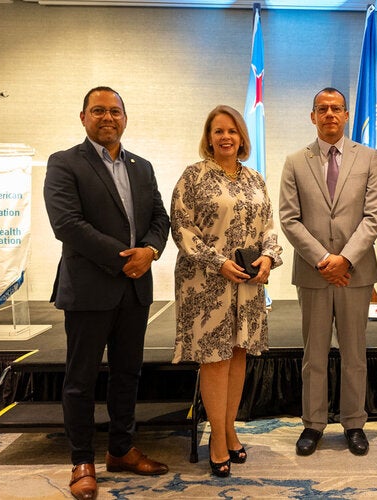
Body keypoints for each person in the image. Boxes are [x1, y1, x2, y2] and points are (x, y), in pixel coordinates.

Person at [43, 86, 171, 500]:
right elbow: (67, 225)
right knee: (80, 380)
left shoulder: (142, 166)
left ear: (125, 118)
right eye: (98, 111)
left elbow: (159, 217)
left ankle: (121, 449)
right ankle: (82, 460)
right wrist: (124, 260)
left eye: (115, 111)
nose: (107, 117)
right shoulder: (64, 163)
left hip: (135, 291)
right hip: (89, 289)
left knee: (127, 375)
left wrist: (149, 251)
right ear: (83, 117)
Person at [170, 105, 282, 477]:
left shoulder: (255, 179)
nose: (225, 137)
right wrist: (218, 262)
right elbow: (182, 230)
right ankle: (217, 438)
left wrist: (268, 257)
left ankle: (230, 427)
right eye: (218, 131)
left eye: (232, 131)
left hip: (248, 286)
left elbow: (268, 225)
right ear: (209, 137)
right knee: (215, 360)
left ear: (241, 137)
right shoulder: (193, 177)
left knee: (238, 355)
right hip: (206, 284)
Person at [279, 87, 377, 457]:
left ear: (346, 114)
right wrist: (325, 259)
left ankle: (355, 423)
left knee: (355, 352)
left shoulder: (369, 158)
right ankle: (313, 424)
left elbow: (374, 217)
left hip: (355, 273)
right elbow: (289, 219)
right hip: (314, 273)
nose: (329, 114)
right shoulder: (295, 161)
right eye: (321, 109)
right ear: (312, 116)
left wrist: (346, 260)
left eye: (336, 108)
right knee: (315, 353)